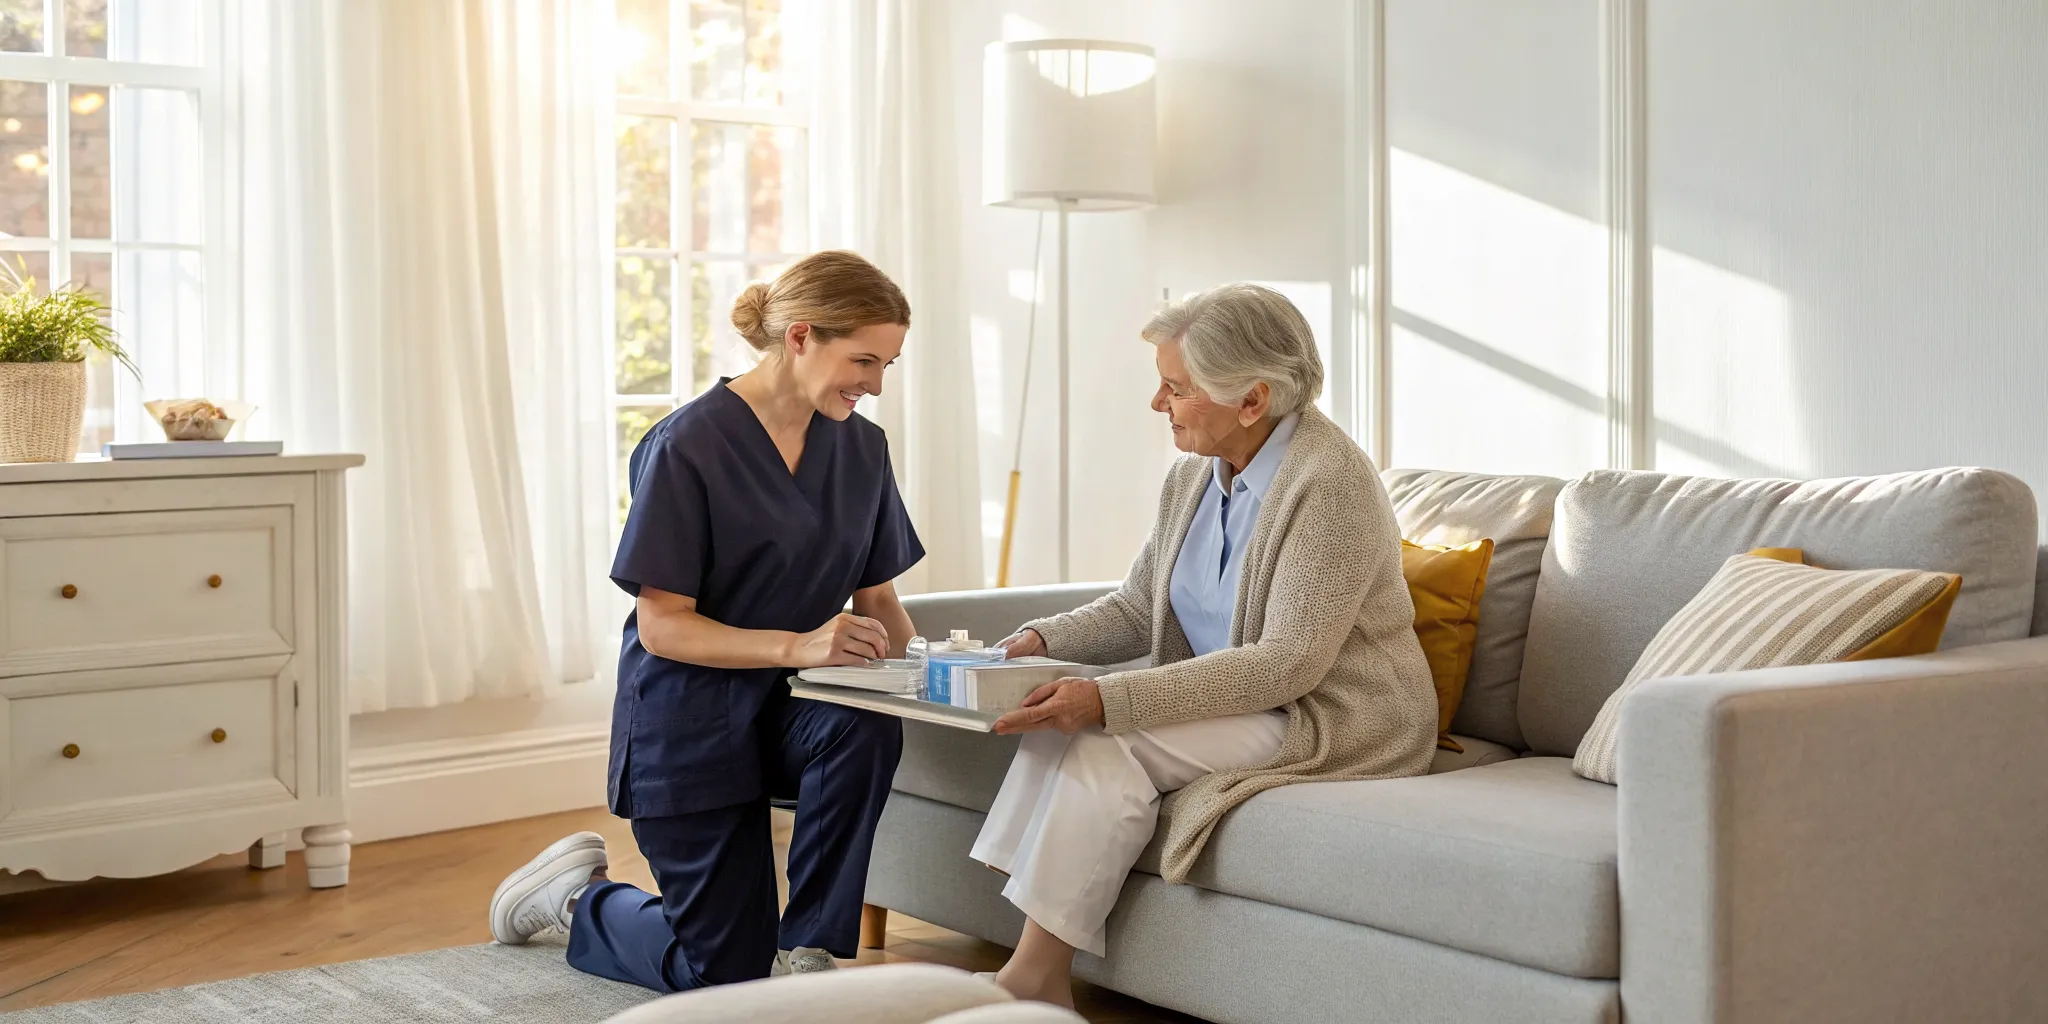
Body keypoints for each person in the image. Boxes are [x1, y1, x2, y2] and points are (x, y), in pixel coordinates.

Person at [970, 284, 1438, 1008]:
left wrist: (1108, 698)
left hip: (1328, 712)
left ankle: (1034, 982)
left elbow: (1288, 663)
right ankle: (1029, 967)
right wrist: (1037, 642)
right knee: (1051, 714)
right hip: (1246, 694)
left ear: (1251, 400)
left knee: (1101, 736)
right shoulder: (1193, 473)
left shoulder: (1332, 483)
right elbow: (1137, 606)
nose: (1159, 404)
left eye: (1176, 388)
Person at [486, 250, 925, 991]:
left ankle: (808, 948)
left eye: (888, 364)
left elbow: (877, 599)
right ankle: (574, 899)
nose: (876, 384)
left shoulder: (862, 447)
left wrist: (939, 676)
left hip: (789, 714)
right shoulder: (688, 444)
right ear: (799, 337)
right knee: (721, 977)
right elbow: (664, 628)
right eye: (864, 360)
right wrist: (800, 644)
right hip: (687, 726)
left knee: (865, 722)